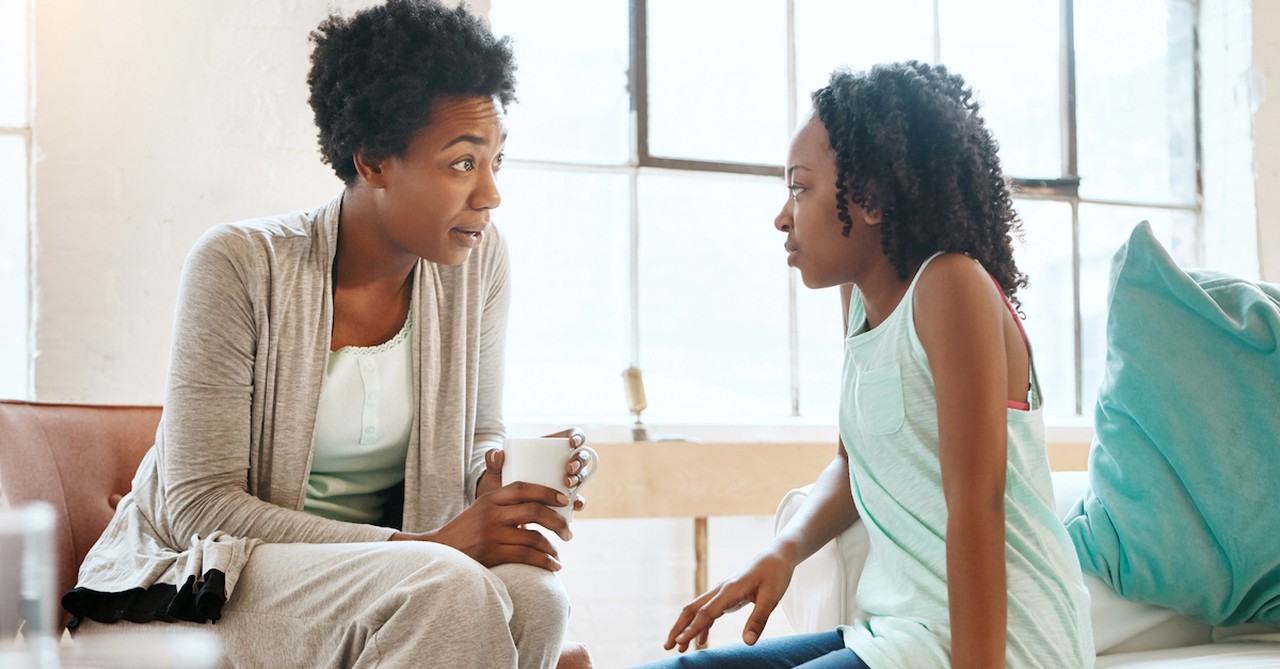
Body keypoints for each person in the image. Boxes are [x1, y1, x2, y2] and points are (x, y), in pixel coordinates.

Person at [62, 2, 594, 667]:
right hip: (197, 581)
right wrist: (428, 545)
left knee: (539, 596)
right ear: (373, 160)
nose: (490, 193)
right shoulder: (239, 263)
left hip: (377, 572)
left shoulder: (478, 261)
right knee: (447, 582)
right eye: (462, 163)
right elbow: (199, 506)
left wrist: (500, 476)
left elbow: (476, 434)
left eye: (496, 161)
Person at [636, 61, 1094, 669]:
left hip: (1002, 644)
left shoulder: (951, 286)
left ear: (872, 199)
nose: (783, 215)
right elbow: (854, 463)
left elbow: (976, 504)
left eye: (800, 188)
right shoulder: (858, 300)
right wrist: (783, 551)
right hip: (897, 631)